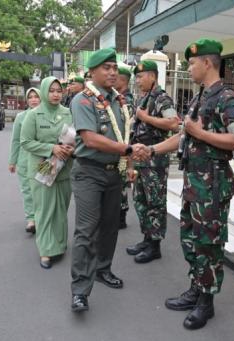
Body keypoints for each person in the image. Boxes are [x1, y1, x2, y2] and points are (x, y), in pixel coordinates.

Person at [150, 39, 234, 329]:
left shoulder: (228, 98)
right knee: (191, 241)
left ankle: (207, 302)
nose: (189, 68)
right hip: (195, 183)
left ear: (207, 63)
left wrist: (200, 134)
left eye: (192, 63)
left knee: (208, 244)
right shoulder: (199, 98)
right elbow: (183, 136)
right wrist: (152, 150)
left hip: (213, 185)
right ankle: (196, 288)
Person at [68, 48, 149, 312]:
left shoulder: (121, 101)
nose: (112, 72)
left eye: (114, 67)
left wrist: (129, 165)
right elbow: (90, 139)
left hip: (115, 172)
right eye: (106, 67)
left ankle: (103, 269)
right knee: (86, 231)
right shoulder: (83, 99)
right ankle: (80, 289)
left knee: (110, 227)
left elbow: (124, 134)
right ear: (92, 72)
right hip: (89, 172)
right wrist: (128, 151)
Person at [125, 60, 179, 264]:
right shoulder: (143, 98)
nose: (137, 81)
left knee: (155, 203)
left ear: (153, 77)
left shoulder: (162, 99)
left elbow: (174, 124)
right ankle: (146, 239)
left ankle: (155, 246)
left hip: (155, 160)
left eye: (140, 76)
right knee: (141, 201)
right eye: (136, 77)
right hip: (140, 159)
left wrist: (146, 118)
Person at [20, 77, 74, 269]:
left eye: (59, 90)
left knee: (60, 209)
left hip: (64, 168)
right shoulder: (34, 115)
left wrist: (71, 150)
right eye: (51, 90)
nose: (56, 94)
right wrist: (51, 148)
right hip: (42, 169)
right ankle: (45, 250)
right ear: (44, 92)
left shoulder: (68, 113)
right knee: (44, 210)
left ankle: (59, 245)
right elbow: (25, 142)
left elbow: (76, 137)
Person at [8, 87, 41, 233]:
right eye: (30, 97)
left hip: (43, 161)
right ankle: (31, 219)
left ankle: (42, 218)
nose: (33, 99)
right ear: (27, 100)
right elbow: (15, 140)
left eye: (36, 96)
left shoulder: (45, 115)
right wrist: (12, 161)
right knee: (27, 190)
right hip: (24, 160)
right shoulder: (21, 117)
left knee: (42, 190)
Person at [114, 65, 135, 229]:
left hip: (124, 146)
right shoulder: (118, 97)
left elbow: (125, 127)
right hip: (120, 146)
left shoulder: (126, 100)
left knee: (120, 183)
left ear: (122, 80)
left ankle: (120, 216)